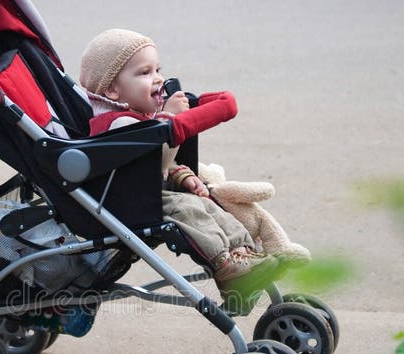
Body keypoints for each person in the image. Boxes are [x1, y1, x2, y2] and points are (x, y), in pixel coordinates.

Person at [79, 28, 281, 314]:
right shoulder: (116, 125)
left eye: (158, 69)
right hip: (131, 203)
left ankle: (246, 255)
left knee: (211, 207)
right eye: (145, 72)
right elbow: (155, 158)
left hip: (149, 193)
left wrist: (184, 176)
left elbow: (162, 165)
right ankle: (227, 265)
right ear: (112, 90)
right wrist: (170, 118)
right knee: (191, 212)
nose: (158, 79)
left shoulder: (140, 117)